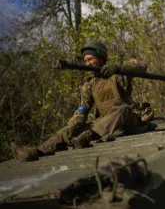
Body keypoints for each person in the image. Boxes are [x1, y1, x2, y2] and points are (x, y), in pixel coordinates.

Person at [12, 40, 152, 162]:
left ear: (101, 58)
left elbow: (142, 66)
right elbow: (82, 109)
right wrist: (75, 123)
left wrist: (119, 68)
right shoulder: (89, 85)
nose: (88, 63)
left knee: (123, 108)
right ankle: (36, 152)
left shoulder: (119, 75)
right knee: (69, 130)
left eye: (91, 59)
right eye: (85, 61)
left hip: (127, 121)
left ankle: (88, 137)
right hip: (103, 126)